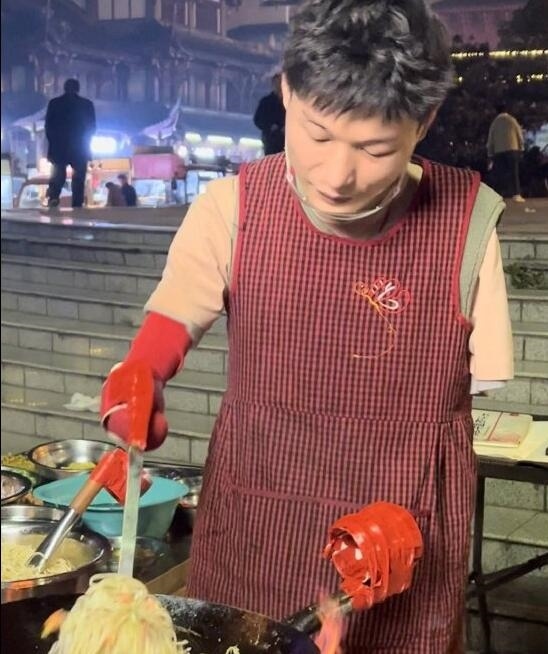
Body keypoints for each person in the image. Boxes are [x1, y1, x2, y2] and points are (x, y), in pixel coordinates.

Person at [100, 1, 513, 652]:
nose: (337, 175)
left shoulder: (468, 227)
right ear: (287, 92)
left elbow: (476, 396)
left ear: (425, 121)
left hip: (400, 545)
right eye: (317, 135)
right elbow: (172, 319)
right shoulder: (233, 208)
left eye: (375, 149)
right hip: (256, 533)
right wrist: (141, 374)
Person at [45, 78, 96, 208]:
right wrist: (86, 142)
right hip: (80, 147)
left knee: (58, 175)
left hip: (59, 147)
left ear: (64, 88)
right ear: (78, 89)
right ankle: (77, 202)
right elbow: (91, 127)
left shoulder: (55, 103)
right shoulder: (86, 104)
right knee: (79, 177)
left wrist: (52, 143)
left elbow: (49, 127)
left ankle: (54, 197)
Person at [487, 103, 525, 201]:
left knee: (500, 174)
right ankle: (516, 194)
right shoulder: (512, 120)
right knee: (514, 173)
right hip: (512, 149)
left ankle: (499, 195)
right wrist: (521, 148)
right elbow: (519, 134)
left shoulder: (494, 123)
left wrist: (490, 153)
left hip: (499, 151)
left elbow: (490, 139)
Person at [253, 73, 286, 155]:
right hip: (271, 141)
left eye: (280, 83)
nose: (279, 86)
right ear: (273, 85)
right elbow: (258, 120)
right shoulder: (266, 102)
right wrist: (271, 126)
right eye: (276, 83)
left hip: (287, 142)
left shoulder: (290, 102)